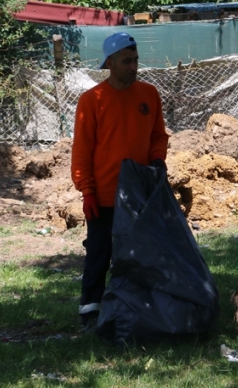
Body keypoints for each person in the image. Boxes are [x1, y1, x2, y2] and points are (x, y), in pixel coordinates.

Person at [71, 32, 169, 331]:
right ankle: (90, 312)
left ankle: (135, 309)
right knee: (99, 255)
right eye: (127, 61)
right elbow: (82, 150)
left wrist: (158, 161)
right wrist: (87, 190)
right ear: (110, 63)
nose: (133, 66)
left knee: (139, 257)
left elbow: (158, 135)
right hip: (104, 195)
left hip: (140, 193)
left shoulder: (149, 94)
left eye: (135, 60)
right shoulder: (92, 100)